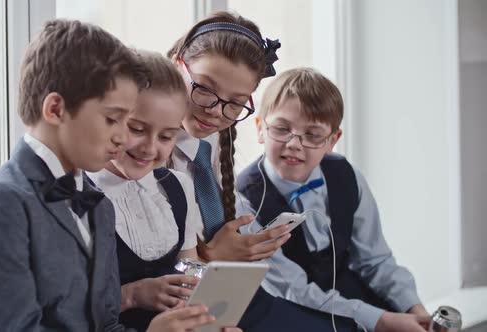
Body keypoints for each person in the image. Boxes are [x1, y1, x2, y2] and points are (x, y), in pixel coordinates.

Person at [0, 19, 215, 332]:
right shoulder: (1, 203)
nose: (122, 138)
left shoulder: (97, 204)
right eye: (113, 119)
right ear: (55, 109)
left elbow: (105, 324)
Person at [166, 11, 357, 331]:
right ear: (176, 64)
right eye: (204, 88)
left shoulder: (208, 136)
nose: (215, 111)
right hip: (186, 301)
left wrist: (236, 250)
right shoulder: (145, 153)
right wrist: (214, 256)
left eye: (236, 102)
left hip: (229, 292)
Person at [236, 67, 431, 332]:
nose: (295, 144)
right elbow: (292, 289)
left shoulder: (345, 175)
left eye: (313, 135)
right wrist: (380, 321)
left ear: (332, 140)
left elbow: (374, 259)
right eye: (282, 129)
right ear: (260, 128)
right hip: (291, 306)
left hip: (346, 290)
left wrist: (414, 308)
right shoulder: (246, 199)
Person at [87, 50, 205, 331]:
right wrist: (132, 294)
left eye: (166, 136)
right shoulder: (82, 194)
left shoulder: (178, 186)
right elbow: (69, 309)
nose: (150, 148)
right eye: (137, 129)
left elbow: (191, 275)